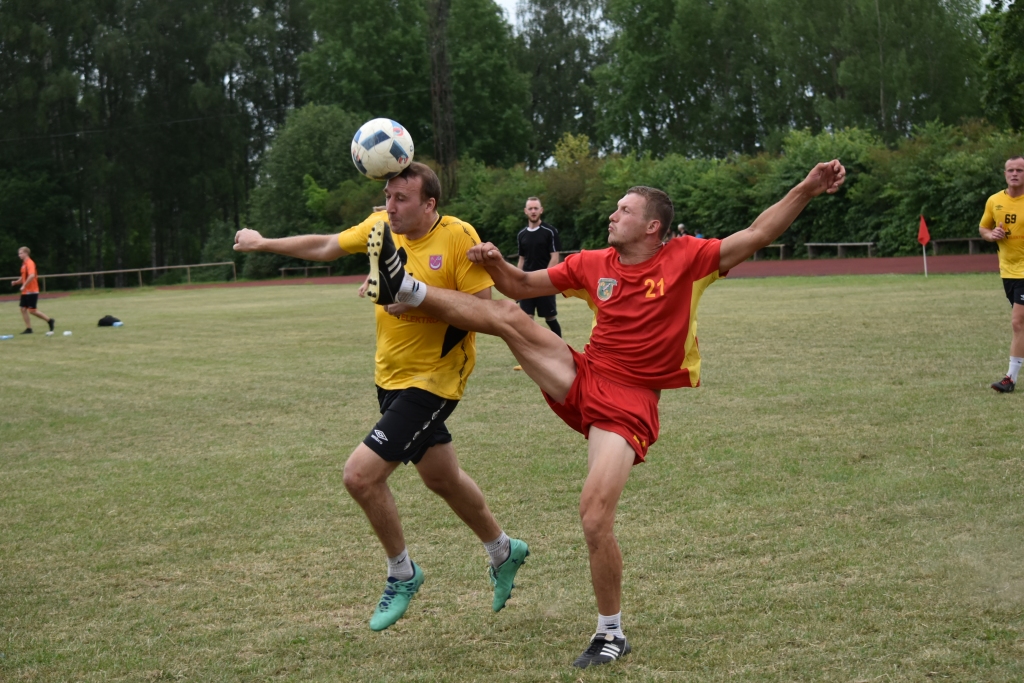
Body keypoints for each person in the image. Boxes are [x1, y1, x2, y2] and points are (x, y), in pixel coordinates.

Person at [363, 160, 846, 667]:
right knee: (508, 319)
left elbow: (757, 231)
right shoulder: (594, 263)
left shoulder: (688, 258)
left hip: (632, 402)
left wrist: (808, 188)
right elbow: (522, 288)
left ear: (653, 226)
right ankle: (408, 288)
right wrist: (495, 263)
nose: (613, 215)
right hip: (584, 375)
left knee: (594, 517)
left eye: (624, 210)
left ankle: (610, 633)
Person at [232, 162, 528, 631]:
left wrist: (416, 297)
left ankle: (402, 573)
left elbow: (484, 314)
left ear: (429, 204)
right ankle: (503, 549)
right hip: (389, 375)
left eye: (401, 199)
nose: (390, 207)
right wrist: (264, 241)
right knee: (441, 478)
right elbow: (328, 245)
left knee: (360, 477)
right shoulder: (378, 228)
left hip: (436, 378)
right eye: (388, 196)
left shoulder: (457, 236)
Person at [980, 156, 1024, 393]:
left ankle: (1010, 379)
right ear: (1005, 173)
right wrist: (991, 235)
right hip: (1008, 271)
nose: (1015, 173)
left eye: (1020, 170)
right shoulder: (994, 201)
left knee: (1018, 322)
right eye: (1010, 170)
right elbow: (983, 228)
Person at [12, 247, 54, 334]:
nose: (19, 255)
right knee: (23, 309)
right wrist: (17, 282)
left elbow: (31, 276)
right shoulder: (24, 264)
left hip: (31, 290)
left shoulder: (30, 263)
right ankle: (29, 329)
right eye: (19, 253)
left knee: (32, 311)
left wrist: (24, 285)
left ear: (26, 253)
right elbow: (24, 277)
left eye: (21, 253)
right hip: (25, 291)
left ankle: (49, 320)